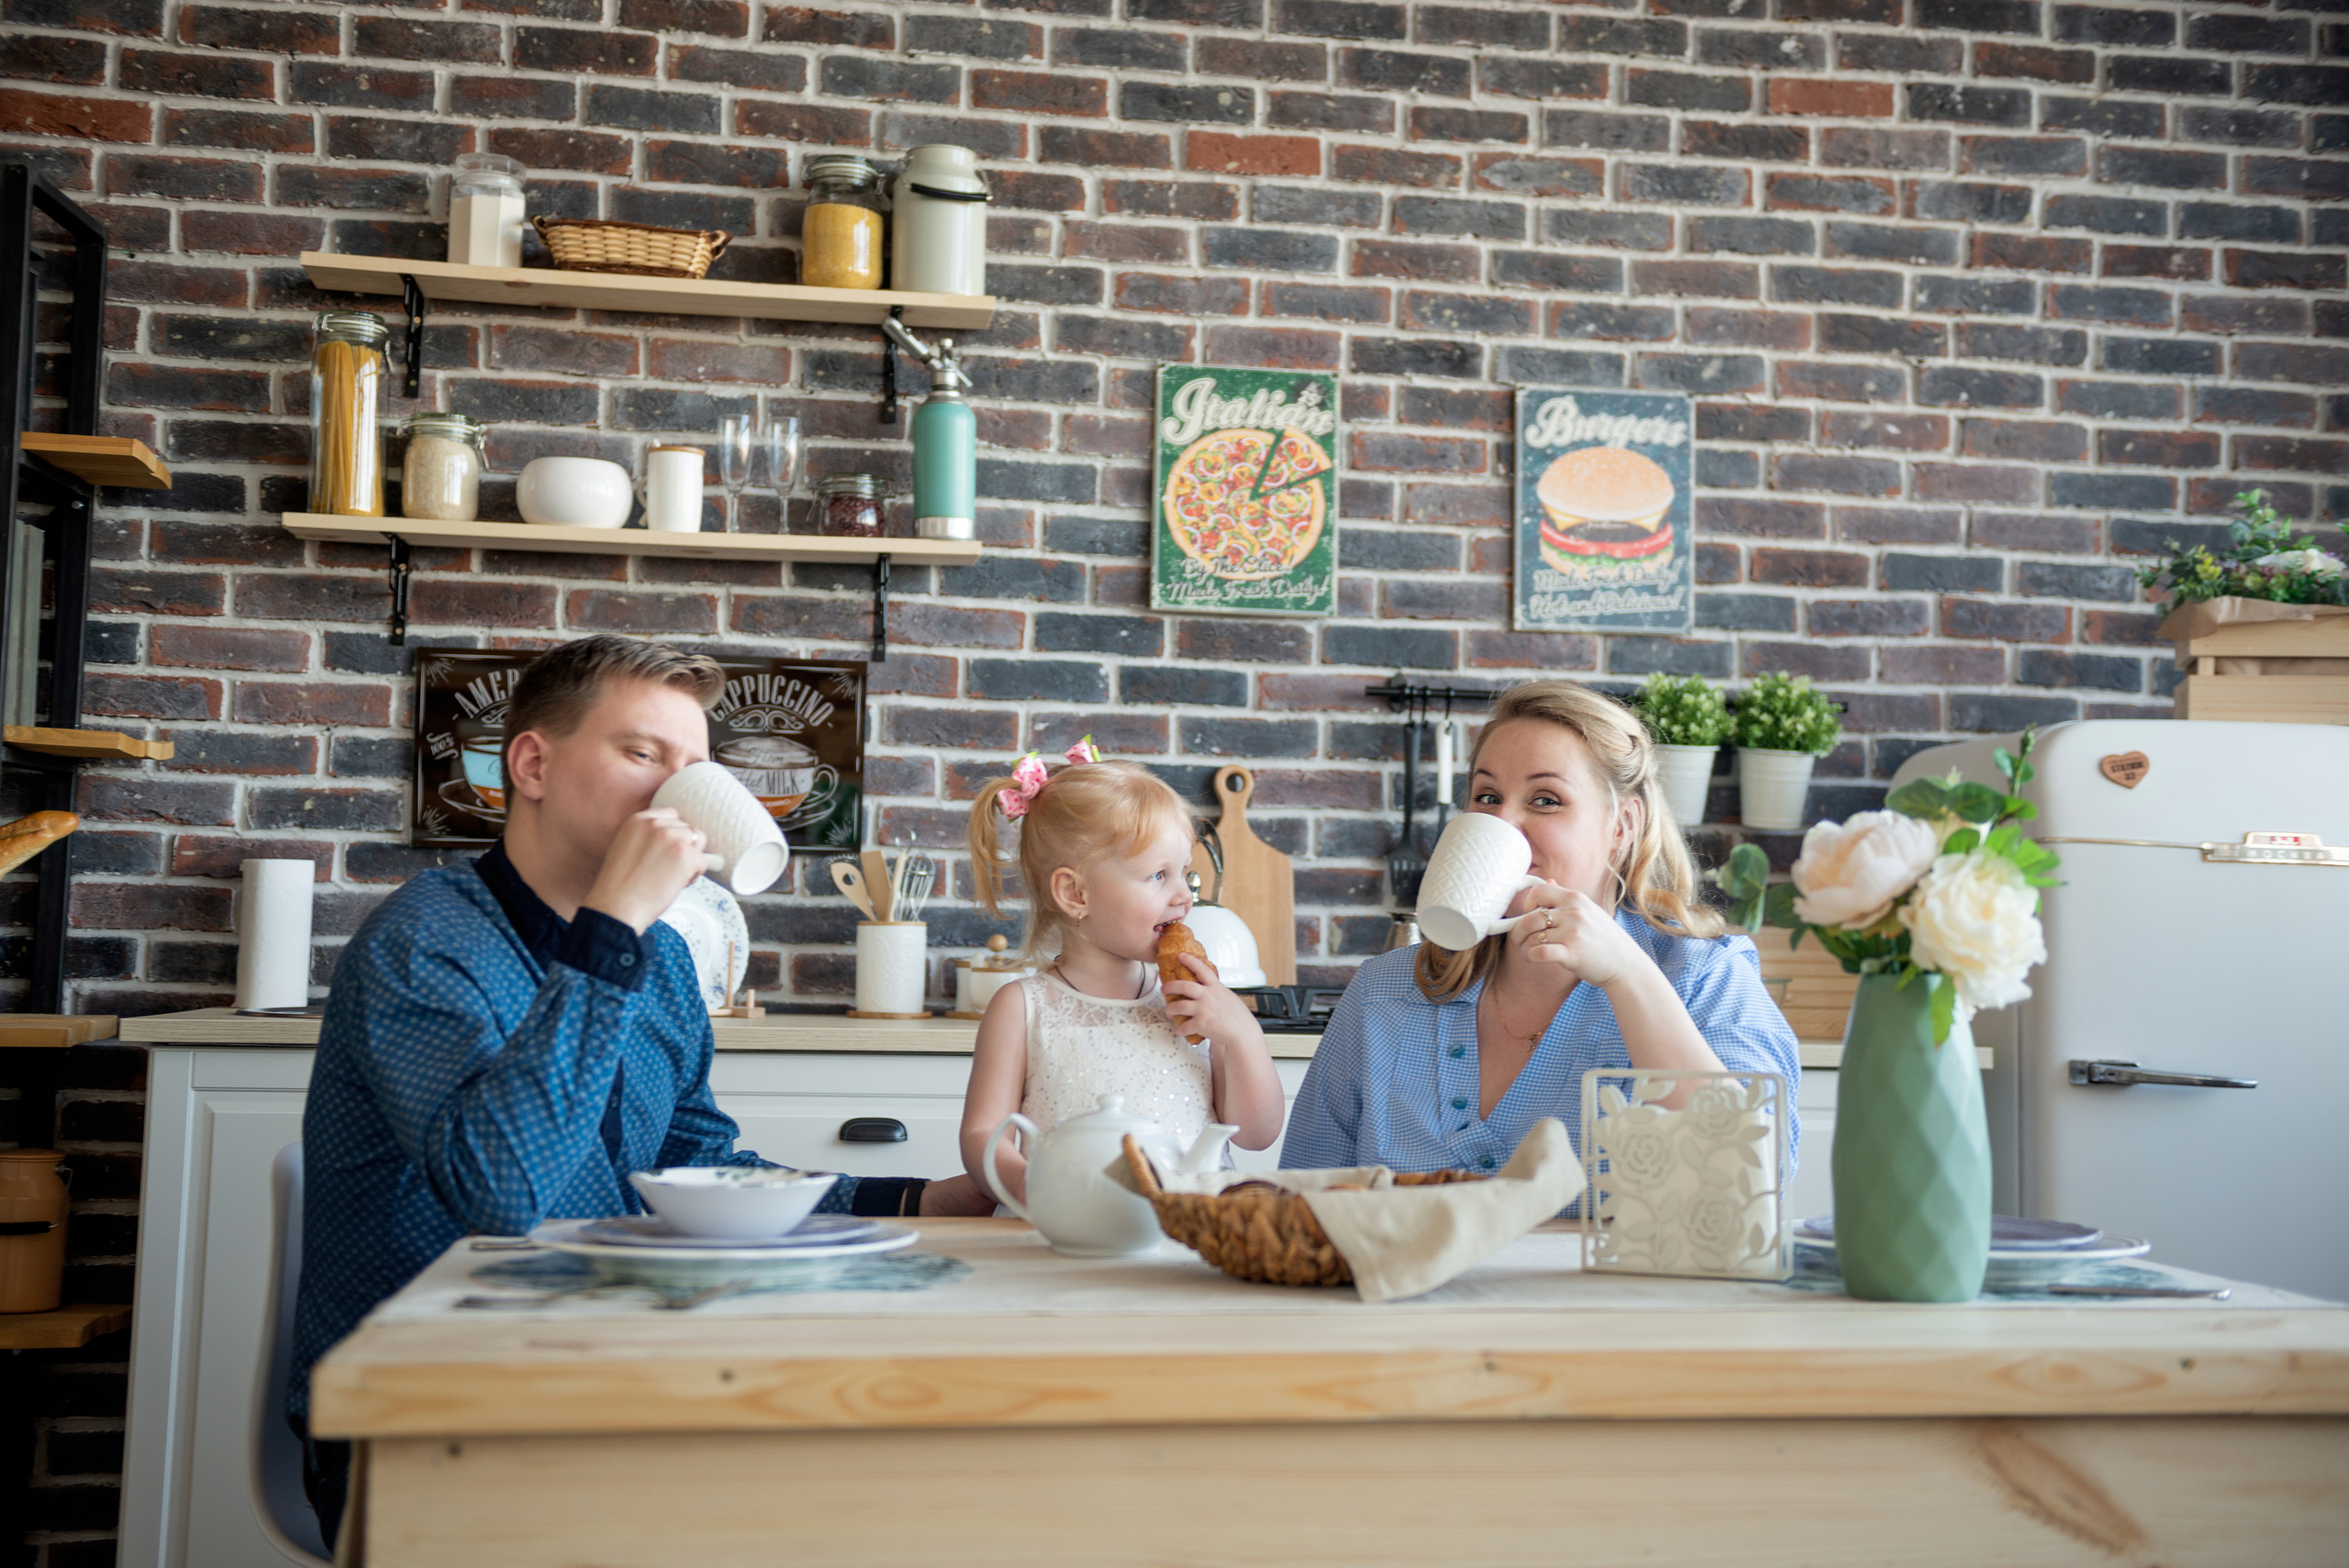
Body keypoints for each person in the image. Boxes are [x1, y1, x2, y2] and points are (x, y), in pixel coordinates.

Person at [289, 636, 985, 1548]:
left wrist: (927, 1197)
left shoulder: (656, 961)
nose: (676, 791)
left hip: (598, 1372)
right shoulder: (424, 942)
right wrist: (613, 923)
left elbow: (697, 1162)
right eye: (642, 753)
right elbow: (503, 1196)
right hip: (422, 1411)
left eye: (694, 767)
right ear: (532, 763)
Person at [1284, 680, 1798, 1176]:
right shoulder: (1384, 992)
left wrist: (1630, 978)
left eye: (1545, 799)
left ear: (1622, 826)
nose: (1503, 823)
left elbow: (1756, 1167)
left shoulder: (1704, 976)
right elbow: (1299, 1201)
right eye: (1486, 797)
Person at [958, 740, 1285, 1203]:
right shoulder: (1022, 1007)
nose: (1185, 896)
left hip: (1190, 1243)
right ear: (1075, 894)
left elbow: (1255, 1135)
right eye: (1158, 876)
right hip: (1068, 1237)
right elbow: (982, 1134)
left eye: (1185, 875)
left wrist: (1243, 1036)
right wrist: (1026, 1186)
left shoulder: (1196, 1001)